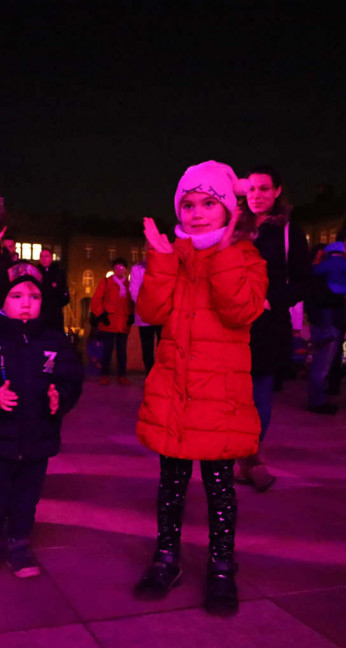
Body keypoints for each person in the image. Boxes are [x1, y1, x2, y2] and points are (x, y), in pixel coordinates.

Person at [133, 160, 267, 616]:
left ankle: (222, 565)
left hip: (219, 395)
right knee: (170, 484)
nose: (196, 213)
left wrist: (225, 252)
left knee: (219, 487)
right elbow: (151, 311)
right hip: (176, 390)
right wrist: (161, 260)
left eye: (208, 203)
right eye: (188, 204)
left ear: (228, 209)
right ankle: (166, 557)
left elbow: (240, 311)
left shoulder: (247, 257)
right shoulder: (174, 254)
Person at [0, 262, 83, 579]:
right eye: (16, 296)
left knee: (27, 496)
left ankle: (19, 542)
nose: (26, 303)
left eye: (34, 297)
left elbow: (70, 377)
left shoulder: (54, 340)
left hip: (37, 436)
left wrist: (60, 397)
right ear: (2, 300)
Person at [240, 165, 311, 492]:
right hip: (231, 324)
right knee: (230, 396)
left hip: (267, 325)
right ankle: (238, 458)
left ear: (278, 191)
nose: (256, 195)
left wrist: (270, 302)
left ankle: (251, 458)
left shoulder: (288, 232)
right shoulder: (233, 226)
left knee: (259, 396)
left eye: (264, 188)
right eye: (251, 189)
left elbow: (302, 281)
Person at [306, 241, 346, 414]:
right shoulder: (343, 267)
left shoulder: (318, 268)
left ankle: (317, 398)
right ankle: (318, 401)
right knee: (323, 364)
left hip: (318, 321)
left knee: (319, 361)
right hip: (333, 322)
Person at [91, 258, 133, 385]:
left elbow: (132, 301)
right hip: (109, 321)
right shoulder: (106, 282)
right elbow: (96, 299)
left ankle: (122, 375)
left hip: (123, 323)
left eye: (122, 268)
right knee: (107, 351)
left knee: (122, 352)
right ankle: (105, 374)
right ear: (114, 269)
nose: (119, 270)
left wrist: (132, 315)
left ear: (125, 270)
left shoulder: (129, 284)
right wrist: (101, 314)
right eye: (117, 267)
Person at [129, 245, 161, 374]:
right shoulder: (137, 268)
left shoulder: (163, 266)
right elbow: (134, 291)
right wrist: (145, 305)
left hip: (161, 313)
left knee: (163, 345)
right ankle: (150, 373)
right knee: (147, 347)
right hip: (145, 314)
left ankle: (161, 373)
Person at [37, 248, 70, 330]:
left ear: (51, 258)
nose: (44, 259)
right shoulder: (36, 273)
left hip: (54, 314)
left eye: (46, 256)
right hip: (40, 313)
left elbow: (64, 293)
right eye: (42, 256)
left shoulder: (58, 274)